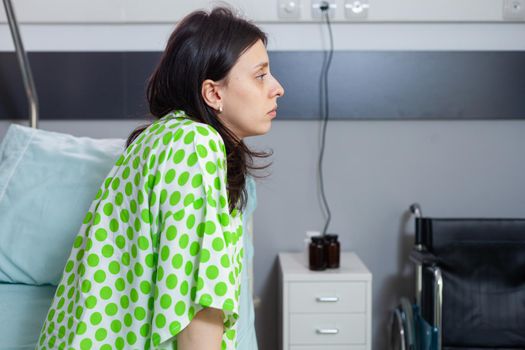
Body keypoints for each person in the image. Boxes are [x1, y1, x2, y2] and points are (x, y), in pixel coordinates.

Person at [36, 5, 284, 350]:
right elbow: (200, 303)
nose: (278, 88)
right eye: (261, 76)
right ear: (214, 93)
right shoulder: (194, 144)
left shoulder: (160, 139)